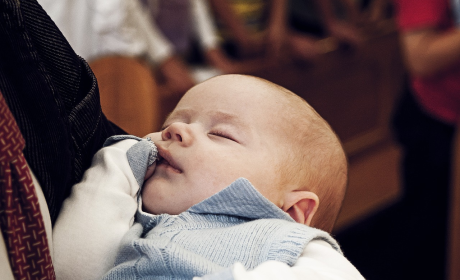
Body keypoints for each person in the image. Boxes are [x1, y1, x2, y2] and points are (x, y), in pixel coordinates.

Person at [53, 74, 364, 280]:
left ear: (293, 211)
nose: (175, 131)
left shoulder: (284, 242)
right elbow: (72, 268)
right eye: (171, 123)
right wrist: (120, 161)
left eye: (220, 134)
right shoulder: (133, 226)